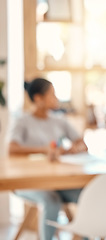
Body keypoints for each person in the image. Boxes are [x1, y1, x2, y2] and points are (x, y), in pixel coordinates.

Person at [9, 77, 87, 240]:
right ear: (38, 98)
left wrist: (75, 149)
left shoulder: (59, 120)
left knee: (87, 195)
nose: (56, 98)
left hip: (57, 180)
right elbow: (12, 149)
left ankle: (86, 236)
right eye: (52, 94)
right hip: (29, 181)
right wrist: (44, 150)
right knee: (51, 200)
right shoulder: (22, 121)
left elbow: (82, 143)